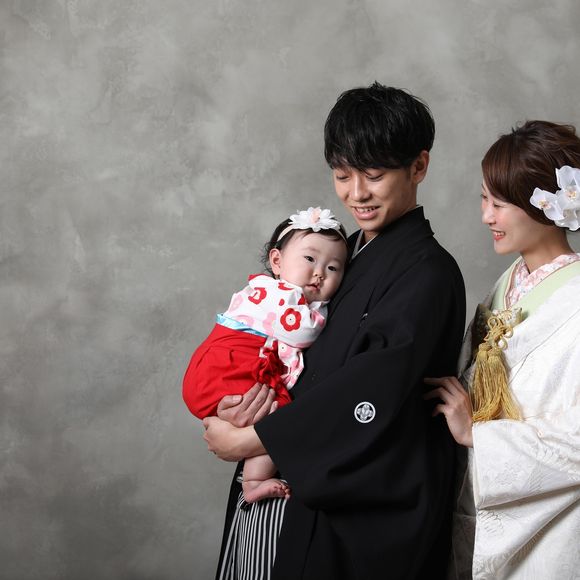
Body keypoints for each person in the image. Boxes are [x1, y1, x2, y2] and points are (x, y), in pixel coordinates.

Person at [203, 82, 466, 579]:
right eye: (343, 176)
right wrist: (236, 401)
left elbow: (373, 388)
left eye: (374, 175)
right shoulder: (341, 257)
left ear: (419, 166)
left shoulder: (427, 272)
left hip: (356, 504)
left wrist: (254, 440)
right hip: (288, 477)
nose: (356, 194)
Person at [425, 120, 580, 579]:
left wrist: (480, 436)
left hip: (552, 524)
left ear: (545, 206)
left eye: (499, 204)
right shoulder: (509, 282)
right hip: (479, 504)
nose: (486, 217)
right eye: (484, 199)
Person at [183, 207, 348, 503]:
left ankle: (251, 475)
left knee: (275, 416)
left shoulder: (279, 293)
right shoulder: (277, 294)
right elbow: (303, 333)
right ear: (277, 261)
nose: (320, 273)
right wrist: (324, 308)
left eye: (333, 268)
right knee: (280, 416)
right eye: (310, 259)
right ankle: (254, 479)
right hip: (227, 365)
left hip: (219, 369)